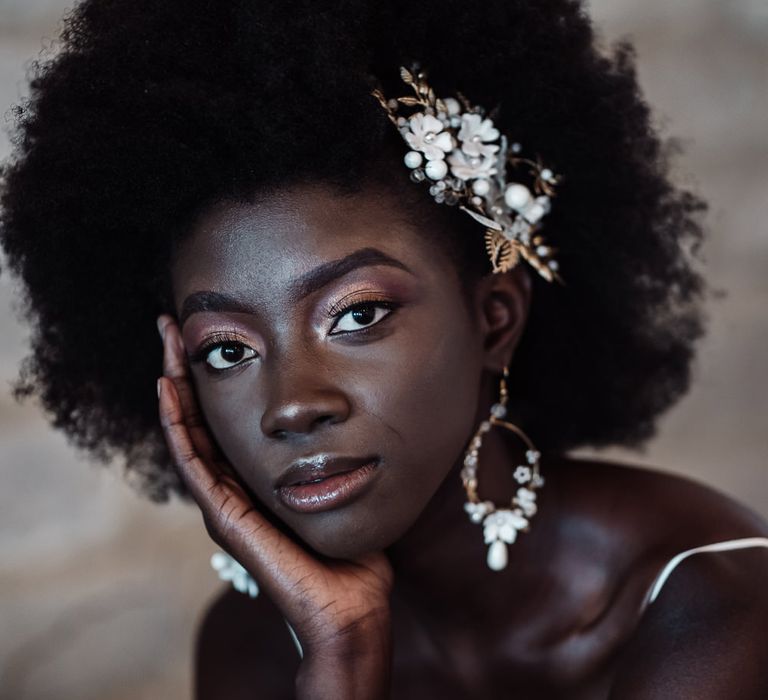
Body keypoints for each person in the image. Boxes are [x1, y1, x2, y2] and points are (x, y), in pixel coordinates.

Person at [1, 0, 766, 697]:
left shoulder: (718, 609)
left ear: (494, 321)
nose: (293, 405)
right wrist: (342, 655)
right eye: (227, 351)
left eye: (357, 313)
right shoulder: (259, 650)